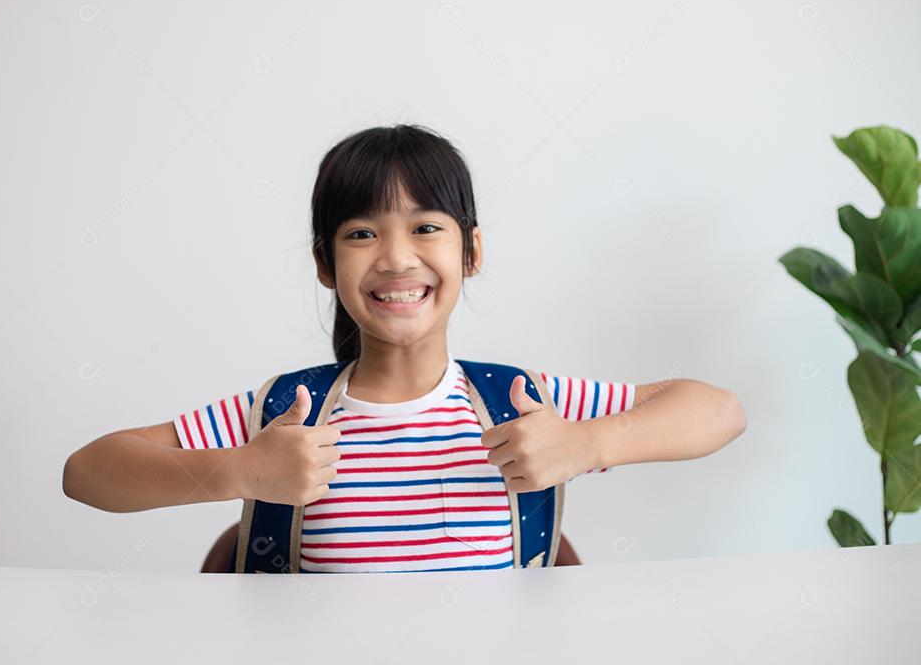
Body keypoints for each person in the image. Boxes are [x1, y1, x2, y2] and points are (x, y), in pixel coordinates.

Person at [62, 124, 747, 573]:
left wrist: (586, 444)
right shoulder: (287, 415)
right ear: (325, 264)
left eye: (425, 227)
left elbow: (719, 411)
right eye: (361, 234)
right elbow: (87, 472)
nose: (395, 257)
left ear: (471, 251)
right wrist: (239, 469)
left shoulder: (521, 404)